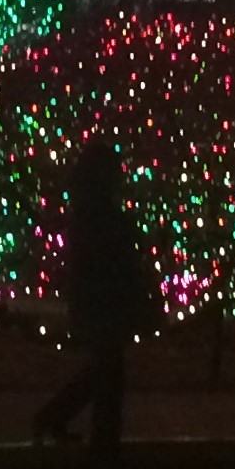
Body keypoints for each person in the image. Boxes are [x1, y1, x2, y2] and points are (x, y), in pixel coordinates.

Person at [34, 142, 151, 453]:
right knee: (108, 370)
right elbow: (112, 256)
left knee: (104, 368)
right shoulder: (101, 214)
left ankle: (59, 420)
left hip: (96, 297)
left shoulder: (87, 210)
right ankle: (101, 439)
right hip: (105, 297)